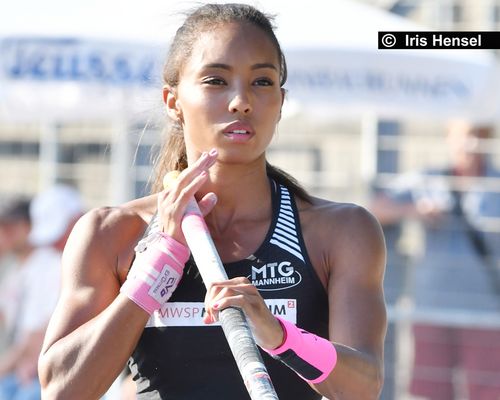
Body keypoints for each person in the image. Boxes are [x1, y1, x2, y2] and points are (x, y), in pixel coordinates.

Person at [38, 4, 387, 399]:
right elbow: (62, 389)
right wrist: (155, 270)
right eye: (216, 80)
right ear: (173, 101)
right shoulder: (113, 233)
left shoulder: (340, 230)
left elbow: (364, 386)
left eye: (262, 82)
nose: (241, 101)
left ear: (281, 101)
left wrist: (278, 335)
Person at [369, 120, 500, 400]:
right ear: (449, 138)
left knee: (487, 389)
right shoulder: (428, 179)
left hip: (485, 309)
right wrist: (414, 210)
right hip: (432, 304)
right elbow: (374, 208)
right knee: (432, 388)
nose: (471, 145)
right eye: (465, 136)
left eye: (480, 136)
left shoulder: (495, 184)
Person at [0, 185, 84, 400]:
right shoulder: (22, 267)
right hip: (37, 369)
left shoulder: (50, 264)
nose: (55, 244)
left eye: (9, 227)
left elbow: (41, 334)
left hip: (58, 371)